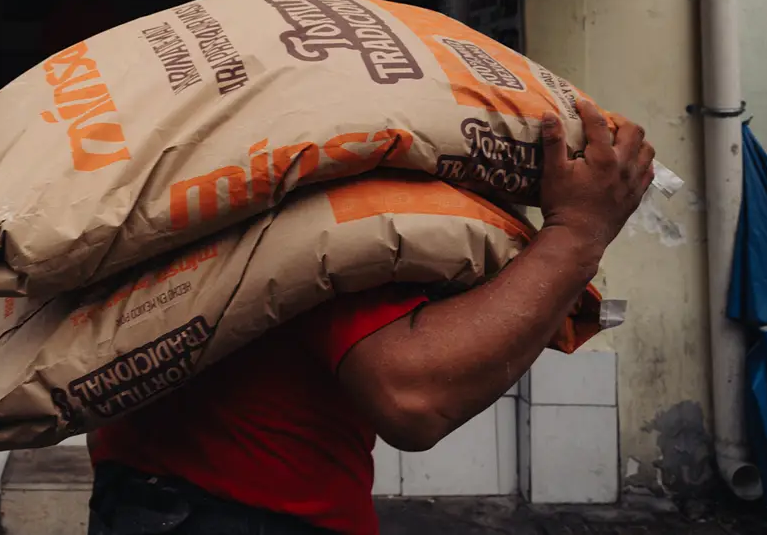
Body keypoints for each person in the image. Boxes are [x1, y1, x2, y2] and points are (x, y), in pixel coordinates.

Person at [88, 101, 656, 535]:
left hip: (142, 496)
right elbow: (412, 399)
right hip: (244, 516)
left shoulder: (190, 185)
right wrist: (579, 231)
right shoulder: (306, 209)